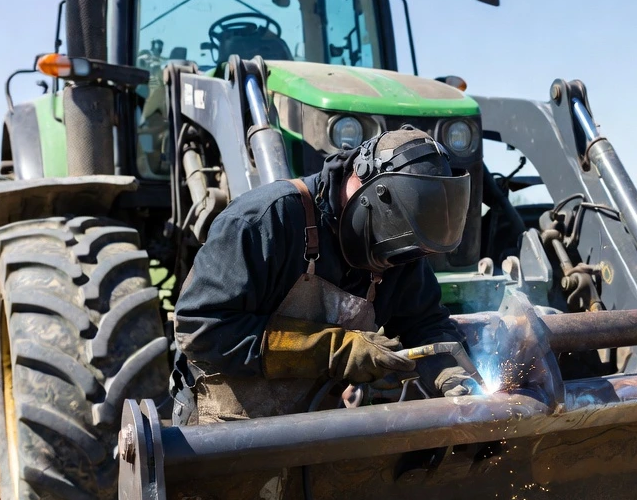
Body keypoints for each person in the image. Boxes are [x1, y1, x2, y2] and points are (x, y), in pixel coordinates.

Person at [172, 127, 476, 424]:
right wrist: (335, 350)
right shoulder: (263, 222)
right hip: (227, 428)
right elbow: (200, 330)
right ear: (365, 191)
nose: (393, 266)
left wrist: (447, 370)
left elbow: (424, 322)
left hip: (317, 427)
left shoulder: (399, 245)